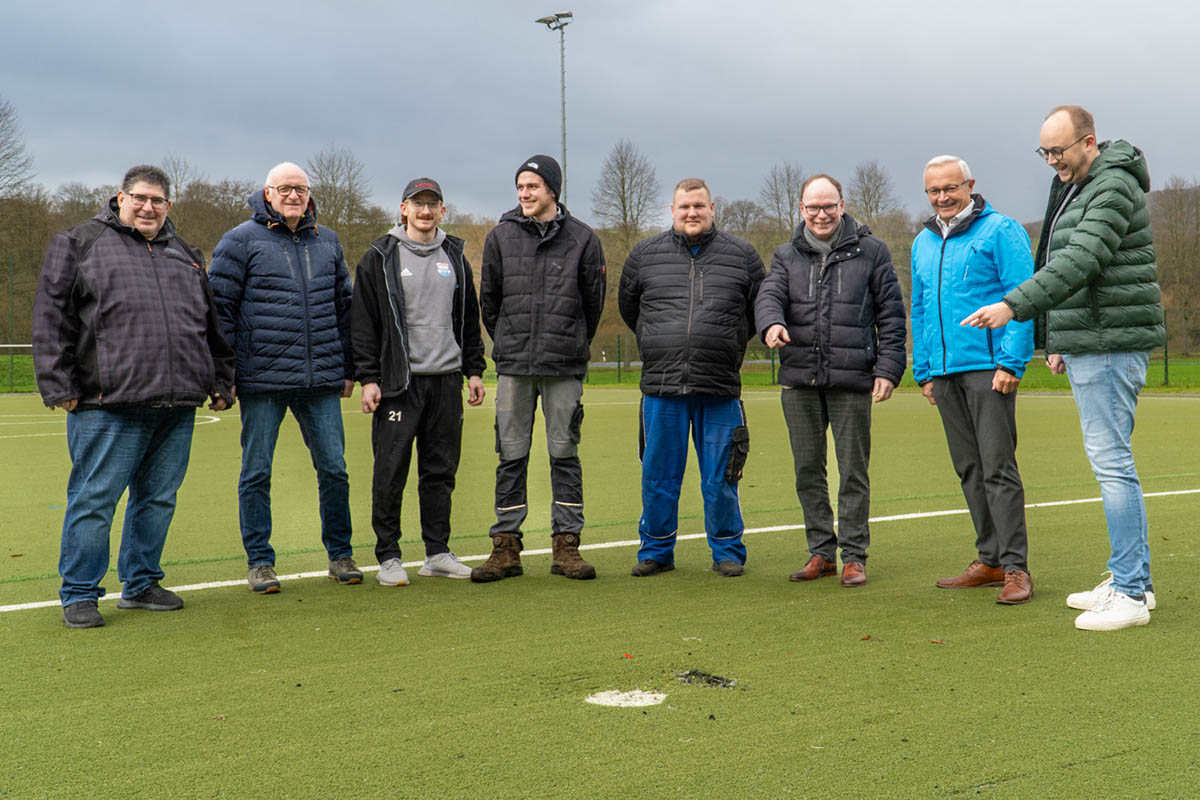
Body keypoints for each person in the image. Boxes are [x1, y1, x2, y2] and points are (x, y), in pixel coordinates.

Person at [962, 106, 1165, 631]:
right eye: (1044, 152)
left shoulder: (1112, 185)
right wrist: (1056, 337)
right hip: (1091, 339)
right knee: (1111, 460)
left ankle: (1129, 593)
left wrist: (1014, 306)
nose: (1052, 161)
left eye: (1059, 151)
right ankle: (1132, 579)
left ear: (1088, 141)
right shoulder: (1078, 184)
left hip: (1111, 343)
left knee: (1112, 462)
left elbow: (1083, 259)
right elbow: (1057, 256)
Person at [33, 164, 235, 628]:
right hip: (107, 404)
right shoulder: (79, 243)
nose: (148, 207)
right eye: (139, 198)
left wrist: (220, 380)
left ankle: (141, 583)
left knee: (158, 498)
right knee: (95, 500)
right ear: (119, 197)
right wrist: (59, 386)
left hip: (177, 402)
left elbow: (211, 326)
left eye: (157, 200)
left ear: (169, 206)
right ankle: (80, 593)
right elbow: (50, 318)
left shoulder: (186, 254)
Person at [209, 162, 360, 594]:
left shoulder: (327, 241)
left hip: (321, 381)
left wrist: (348, 367)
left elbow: (344, 308)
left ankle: (340, 554)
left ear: (309, 195)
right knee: (256, 472)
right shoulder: (239, 240)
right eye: (285, 188)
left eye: (301, 188)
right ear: (267, 193)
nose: (294, 195)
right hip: (262, 381)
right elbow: (221, 311)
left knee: (335, 469)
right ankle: (260, 562)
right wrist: (227, 374)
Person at [755, 174, 906, 587]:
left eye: (829, 206)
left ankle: (854, 556)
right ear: (801, 210)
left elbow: (891, 315)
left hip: (852, 380)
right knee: (808, 470)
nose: (821, 215)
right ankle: (821, 552)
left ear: (842, 205)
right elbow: (769, 295)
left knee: (853, 471)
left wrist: (889, 369)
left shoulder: (872, 251)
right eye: (813, 207)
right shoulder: (785, 255)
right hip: (800, 379)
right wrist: (770, 323)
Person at [618, 178, 765, 577]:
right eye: (684, 207)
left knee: (721, 478)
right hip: (662, 388)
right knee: (658, 476)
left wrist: (722, 342)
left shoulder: (743, 256)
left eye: (699, 206)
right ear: (672, 211)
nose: (691, 213)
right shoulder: (644, 255)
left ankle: (727, 551)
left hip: (718, 388)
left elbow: (757, 310)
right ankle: (656, 551)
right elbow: (630, 309)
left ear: (713, 208)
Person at [473, 155, 606, 582]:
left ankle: (567, 548)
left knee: (564, 454)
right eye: (520, 187)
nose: (524, 194)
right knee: (510, 455)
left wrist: (567, 342)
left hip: (564, 366)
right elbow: (488, 302)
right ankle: (505, 548)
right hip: (514, 366)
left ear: (552, 190)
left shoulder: (584, 239)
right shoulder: (500, 237)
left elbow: (593, 304)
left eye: (532, 186)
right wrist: (511, 342)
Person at [910, 156, 1035, 605]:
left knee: (998, 467)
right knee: (968, 468)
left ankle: (1017, 568)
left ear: (970, 185)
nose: (942, 197)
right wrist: (923, 370)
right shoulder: (922, 241)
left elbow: (1023, 296)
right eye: (933, 191)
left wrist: (1011, 362)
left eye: (950, 188)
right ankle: (990, 559)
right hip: (943, 374)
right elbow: (921, 307)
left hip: (989, 370)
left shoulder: (1001, 231)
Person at [351, 178, 486, 586]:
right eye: (417, 204)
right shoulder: (379, 256)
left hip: (445, 382)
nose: (425, 212)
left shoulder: (456, 256)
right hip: (398, 384)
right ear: (403, 208)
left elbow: (468, 319)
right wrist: (369, 378)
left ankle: (437, 552)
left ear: (442, 211)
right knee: (390, 471)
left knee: (440, 471)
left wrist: (474, 370)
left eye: (433, 204)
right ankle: (389, 556)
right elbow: (364, 323)